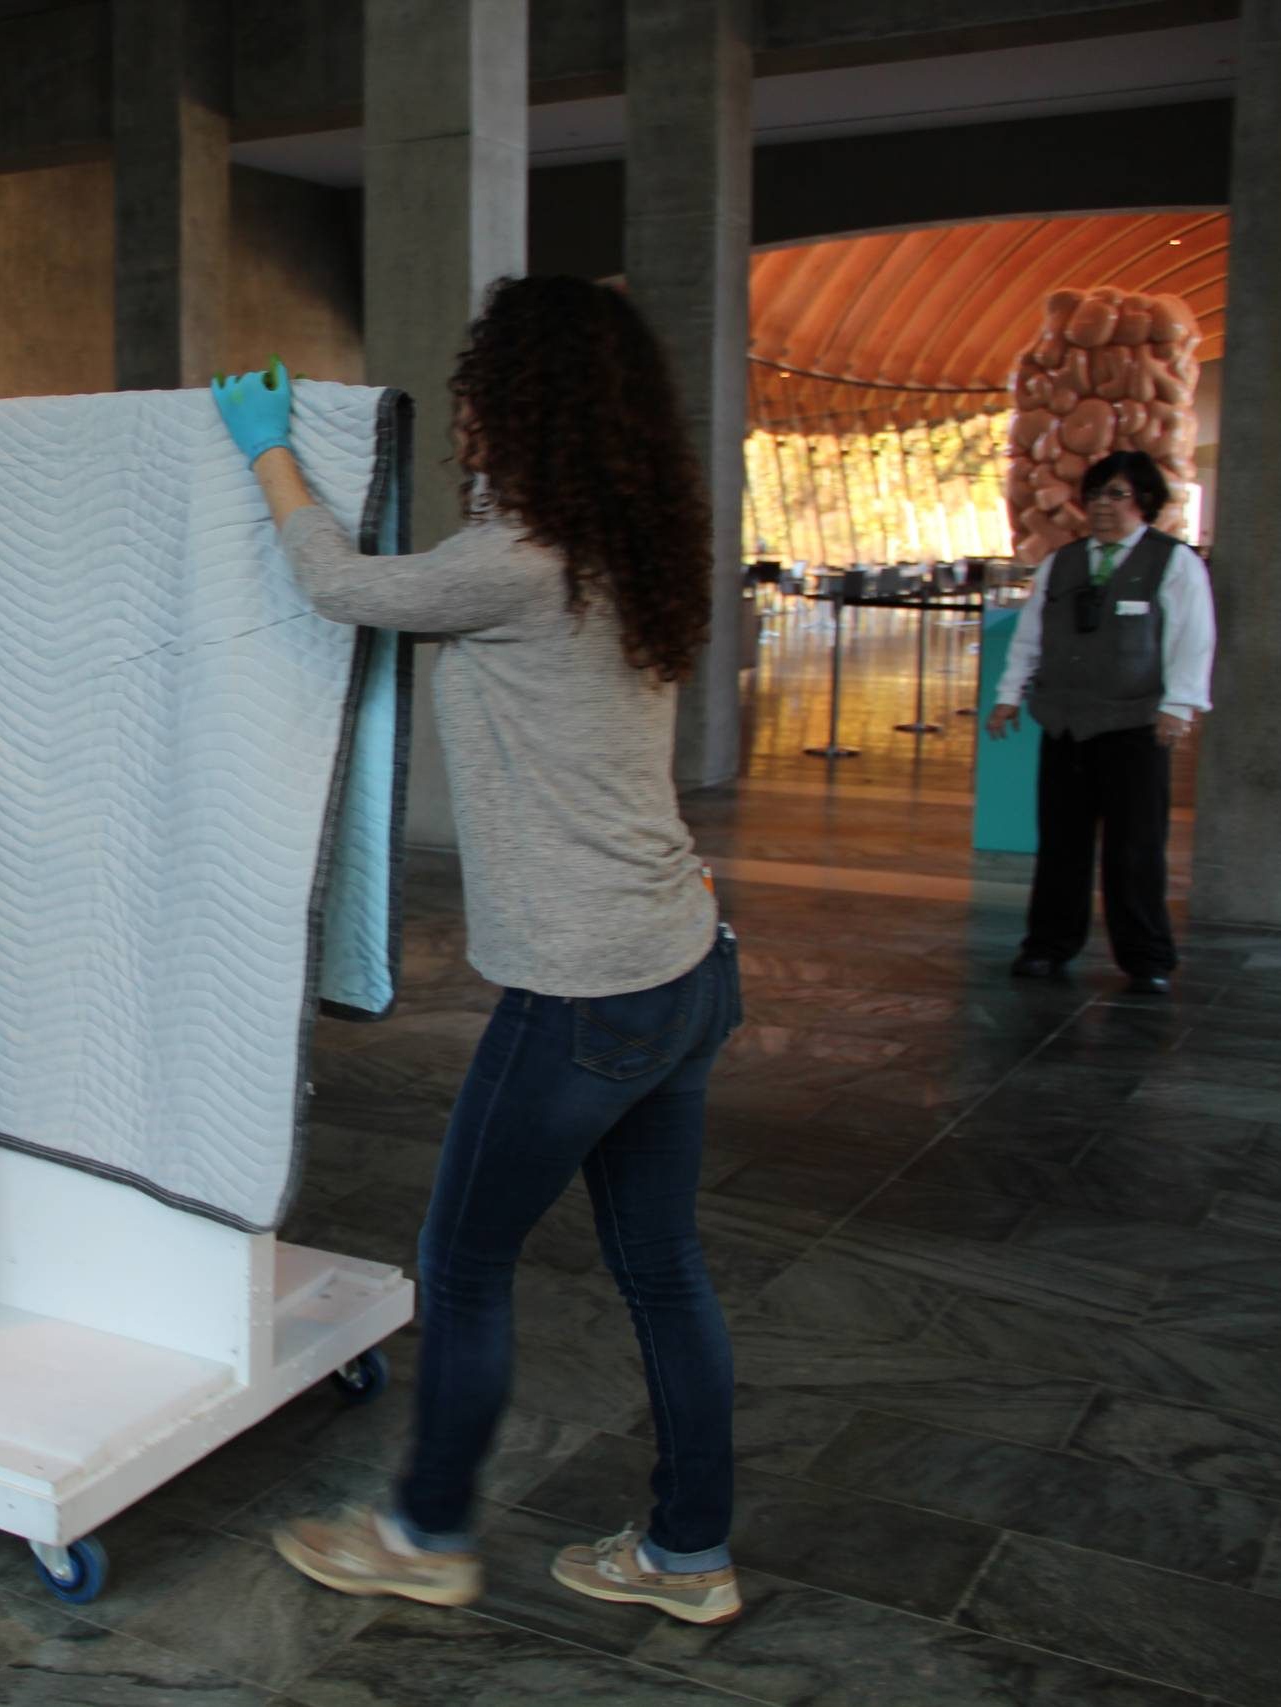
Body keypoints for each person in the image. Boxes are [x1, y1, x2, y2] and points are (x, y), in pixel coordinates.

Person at [209, 278, 743, 1625]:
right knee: (666, 1266)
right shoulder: (631, 546)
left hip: (584, 991)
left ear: (523, 403)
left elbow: (337, 583)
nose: (458, 408)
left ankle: (425, 1530)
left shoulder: (516, 561)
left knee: (459, 1262)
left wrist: (267, 448)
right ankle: (691, 1554)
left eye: (476, 385)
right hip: (685, 960)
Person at [987, 450, 1215, 996]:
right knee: (1061, 843)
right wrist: (1008, 695)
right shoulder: (1062, 563)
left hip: (1135, 725)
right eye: (1095, 495)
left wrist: (1178, 706)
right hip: (1066, 723)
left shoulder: (1173, 562)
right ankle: (1047, 946)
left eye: (1117, 494)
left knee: (1135, 846)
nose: (1103, 506)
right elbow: (1030, 636)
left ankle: (1146, 957)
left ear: (1145, 501)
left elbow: (1193, 638)